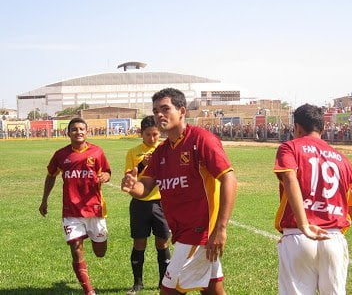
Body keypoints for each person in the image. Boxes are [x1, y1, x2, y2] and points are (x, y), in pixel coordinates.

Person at [121, 88, 237, 295]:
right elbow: (145, 187)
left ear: (182, 111)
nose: (159, 115)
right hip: (183, 232)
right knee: (212, 289)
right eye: (156, 110)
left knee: (169, 290)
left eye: (165, 109)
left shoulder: (201, 140)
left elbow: (228, 178)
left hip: (200, 233)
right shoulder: (162, 151)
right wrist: (132, 187)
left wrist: (221, 228)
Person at [273, 104, 352, 295]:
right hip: (333, 238)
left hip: (298, 235)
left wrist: (304, 224)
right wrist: (332, 224)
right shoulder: (343, 160)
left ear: (297, 127)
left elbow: (290, 178)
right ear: (322, 128)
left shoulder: (289, 147)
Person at [39, 117, 111, 295]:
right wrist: (44, 200)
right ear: (68, 132)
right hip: (71, 210)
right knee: (76, 250)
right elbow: (51, 176)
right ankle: (89, 291)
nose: (78, 132)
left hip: (94, 209)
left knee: (100, 252)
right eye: (74, 129)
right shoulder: (61, 155)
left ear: (87, 132)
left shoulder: (97, 152)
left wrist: (105, 177)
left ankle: (92, 237)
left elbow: (108, 172)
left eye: (81, 129)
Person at [124, 116, 171, 294]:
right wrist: (144, 163)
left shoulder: (165, 149)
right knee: (139, 243)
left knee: (162, 242)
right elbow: (130, 177)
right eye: (148, 135)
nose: (152, 139)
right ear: (141, 134)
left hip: (162, 203)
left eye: (156, 134)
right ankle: (137, 283)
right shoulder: (133, 152)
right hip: (140, 203)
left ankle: (163, 282)